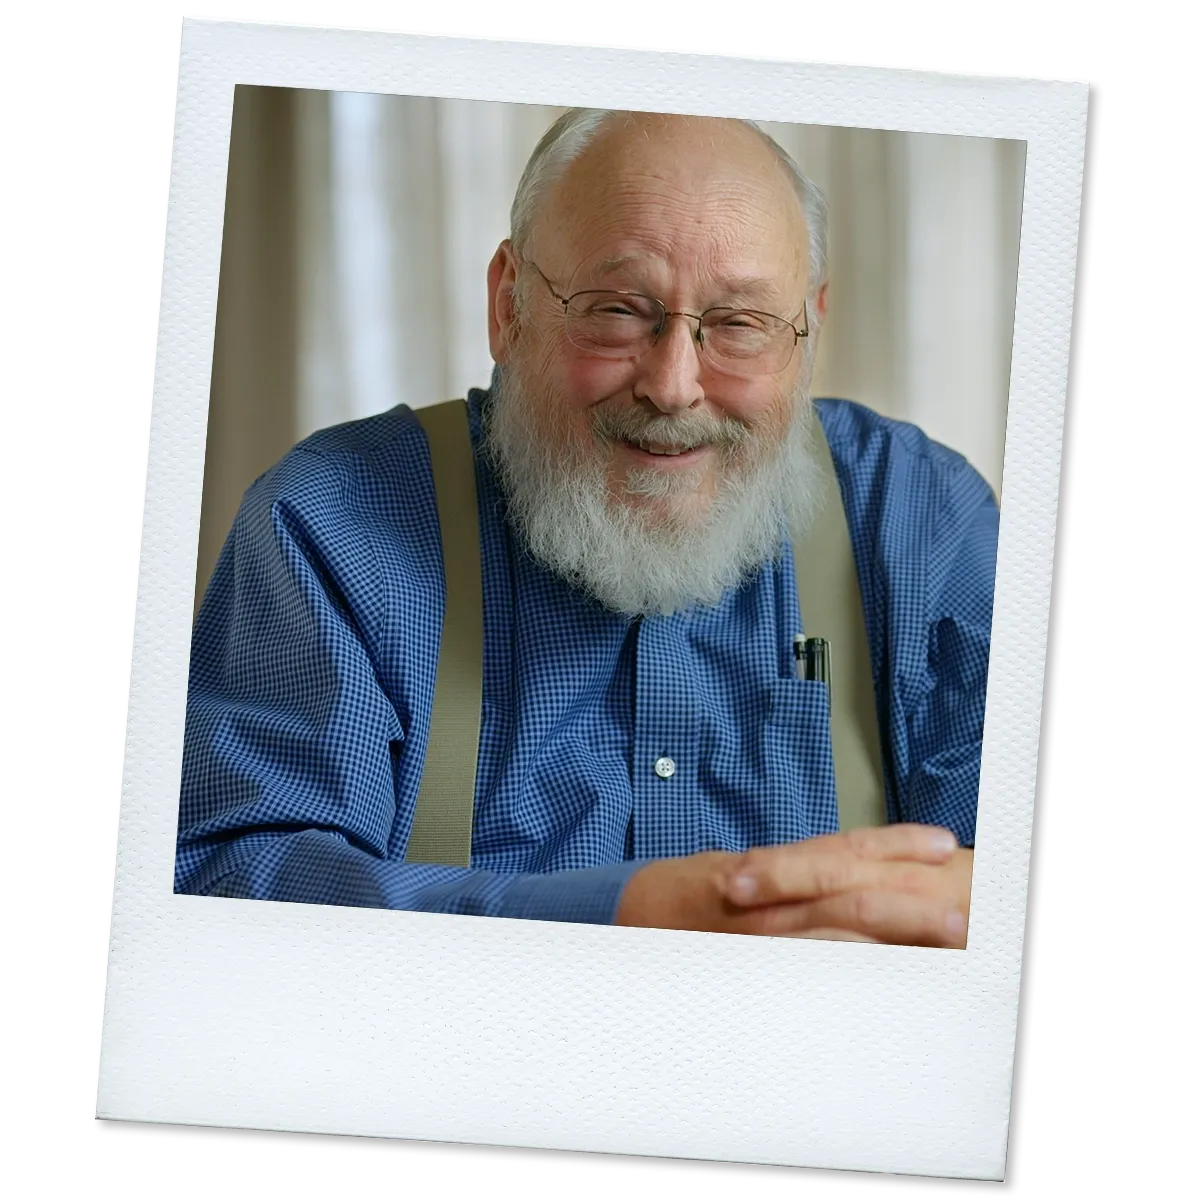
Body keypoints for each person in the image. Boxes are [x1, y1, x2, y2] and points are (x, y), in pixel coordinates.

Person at [176, 109, 996, 947]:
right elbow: (230, 895)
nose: (674, 387)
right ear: (508, 305)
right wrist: (625, 922)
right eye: (617, 310)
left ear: (809, 330)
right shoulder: (332, 522)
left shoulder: (921, 519)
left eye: (740, 325)